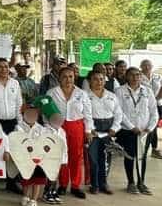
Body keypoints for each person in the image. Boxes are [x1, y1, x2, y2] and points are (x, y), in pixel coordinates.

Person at [47, 67, 93, 199]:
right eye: (65, 77)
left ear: (75, 78)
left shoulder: (82, 94)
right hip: (58, 126)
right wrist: (49, 127)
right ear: (59, 78)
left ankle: (75, 185)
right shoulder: (51, 93)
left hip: (76, 126)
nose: (68, 79)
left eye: (71, 76)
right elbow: (46, 111)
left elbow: (88, 114)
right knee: (61, 155)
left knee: (76, 156)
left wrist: (88, 130)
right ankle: (62, 184)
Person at [116, 67, 158, 195]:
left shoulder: (147, 91)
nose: (135, 77)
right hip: (128, 131)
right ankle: (131, 182)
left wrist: (149, 128)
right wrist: (131, 127)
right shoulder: (119, 91)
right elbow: (119, 112)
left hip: (145, 132)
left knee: (142, 157)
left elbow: (154, 111)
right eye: (132, 75)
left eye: (138, 75)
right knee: (129, 156)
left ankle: (141, 182)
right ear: (127, 77)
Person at [87, 70, 122, 195]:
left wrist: (114, 128)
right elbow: (86, 115)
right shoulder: (85, 96)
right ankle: (94, 184)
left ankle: (104, 183)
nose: (99, 82)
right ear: (90, 81)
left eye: (101, 79)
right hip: (93, 129)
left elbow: (118, 114)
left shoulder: (111, 96)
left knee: (106, 157)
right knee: (93, 158)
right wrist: (90, 130)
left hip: (109, 129)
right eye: (95, 79)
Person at [139, 59, 162, 160]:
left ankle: (154, 149)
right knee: (144, 126)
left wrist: (157, 98)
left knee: (154, 127)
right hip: (144, 106)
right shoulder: (139, 77)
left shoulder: (158, 76)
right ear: (141, 66)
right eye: (145, 65)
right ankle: (141, 149)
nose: (147, 67)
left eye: (149, 65)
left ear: (152, 66)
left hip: (157, 104)